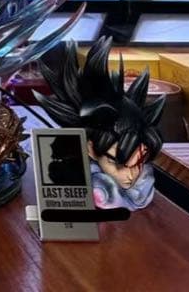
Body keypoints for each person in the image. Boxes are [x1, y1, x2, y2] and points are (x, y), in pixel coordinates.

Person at [36, 36, 163, 212]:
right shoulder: (79, 175)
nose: (130, 176)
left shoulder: (142, 184)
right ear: (90, 149)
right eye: (117, 164)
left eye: (138, 163)